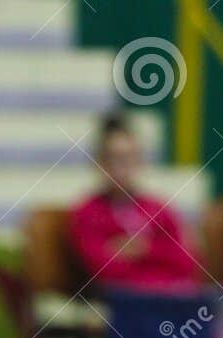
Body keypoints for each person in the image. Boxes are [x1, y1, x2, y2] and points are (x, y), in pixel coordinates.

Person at [68, 113, 201, 293]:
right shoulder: (88, 213)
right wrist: (156, 258)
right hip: (124, 302)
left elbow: (186, 263)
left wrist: (144, 249)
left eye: (130, 158)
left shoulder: (158, 209)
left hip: (168, 297)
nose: (123, 168)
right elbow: (102, 271)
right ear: (100, 163)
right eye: (115, 159)